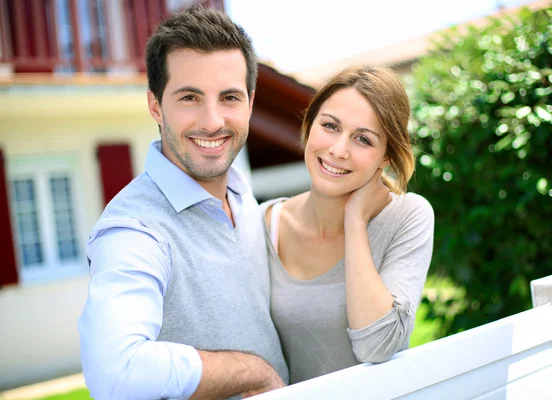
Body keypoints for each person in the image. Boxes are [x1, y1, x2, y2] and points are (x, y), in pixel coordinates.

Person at [78, 5, 288, 399]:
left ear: (251, 103)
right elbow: (114, 372)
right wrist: (255, 372)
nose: (212, 121)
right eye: (190, 97)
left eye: (229, 97)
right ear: (156, 106)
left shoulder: (242, 195)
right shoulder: (133, 230)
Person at [261, 65, 435, 384]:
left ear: (386, 157)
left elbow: (377, 345)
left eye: (363, 139)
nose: (339, 150)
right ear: (309, 125)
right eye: (330, 126)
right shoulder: (264, 224)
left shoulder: (408, 216)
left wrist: (355, 220)